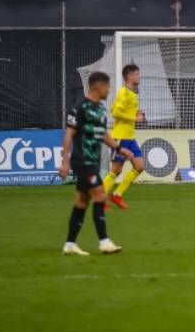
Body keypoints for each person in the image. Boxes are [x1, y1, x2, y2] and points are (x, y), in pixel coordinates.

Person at [58, 71, 128, 255]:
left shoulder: (100, 109)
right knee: (100, 196)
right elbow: (69, 135)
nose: (109, 90)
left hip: (93, 161)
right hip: (83, 160)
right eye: (107, 86)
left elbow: (103, 134)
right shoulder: (79, 108)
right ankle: (104, 242)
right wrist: (64, 162)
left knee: (81, 202)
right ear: (98, 86)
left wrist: (119, 149)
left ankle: (70, 244)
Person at [103, 64, 146, 210]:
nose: (140, 76)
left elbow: (113, 108)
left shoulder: (132, 94)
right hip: (120, 137)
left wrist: (135, 114)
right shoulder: (125, 93)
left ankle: (117, 195)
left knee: (139, 166)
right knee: (116, 170)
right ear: (129, 76)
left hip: (129, 137)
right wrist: (134, 118)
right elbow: (115, 113)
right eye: (137, 74)